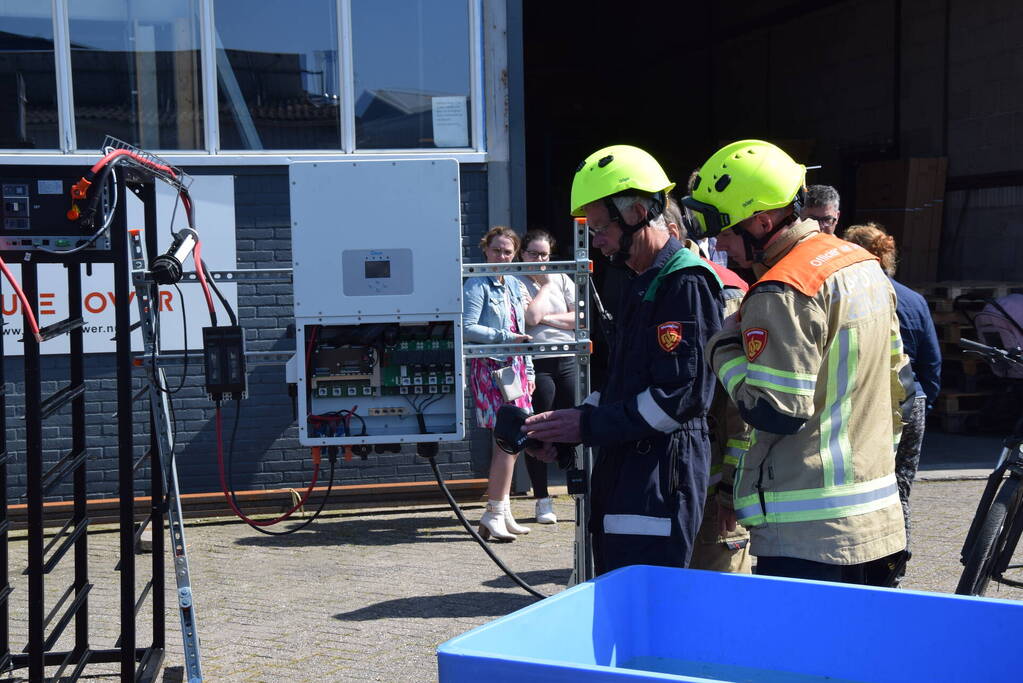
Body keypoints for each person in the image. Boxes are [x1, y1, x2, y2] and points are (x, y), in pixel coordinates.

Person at [681, 140, 909, 584]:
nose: (720, 244)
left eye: (726, 231)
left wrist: (721, 347)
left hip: (808, 534)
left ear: (762, 222)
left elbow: (774, 410)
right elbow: (901, 380)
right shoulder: (861, 265)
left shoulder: (781, 289)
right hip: (877, 517)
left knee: (803, 651)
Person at [523, 145, 723, 575]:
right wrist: (567, 427)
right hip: (634, 463)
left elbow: (679, 397)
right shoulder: (640, 282)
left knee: (649, 600)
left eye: (600, 227)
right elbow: (623, 385)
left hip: (662, 470)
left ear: (635, 212)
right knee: (619, 588)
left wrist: (589, 426)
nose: (596, 240)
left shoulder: (684, 283)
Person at [843, 221, 941, 584]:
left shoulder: (857, 297)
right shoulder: (914, 299)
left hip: (871, 406)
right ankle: (894, 565)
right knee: (900, 489)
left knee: (862, 489)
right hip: (910, 402)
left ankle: (858, 565)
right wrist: (921, 406)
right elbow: (931, 363)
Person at [662, 197, 752, 573]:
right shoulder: (654, 289)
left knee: (723, 603)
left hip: (715, 492)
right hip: (673, 482)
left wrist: (732, 489)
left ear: (669, 232)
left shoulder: (723, 291)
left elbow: (742, 406)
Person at [463, 226, 536, 542]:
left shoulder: (517, 286)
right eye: (496, 250)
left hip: (516, 367)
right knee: (507, 439)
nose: (502, 257)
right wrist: (505, 338)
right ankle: (493, 512)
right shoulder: (477, 283)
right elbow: (467, 327)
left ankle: (501, 510)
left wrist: (529, 371)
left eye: (507, 252)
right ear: (486, 250)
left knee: (512, 441)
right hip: (492, 368)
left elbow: (525, 332)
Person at [514, 229, 578, 525]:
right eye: (533, 254)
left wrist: (547, 318)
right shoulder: (517, 282)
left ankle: (578, 492)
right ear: (522, 253)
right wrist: (543, 286)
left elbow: (578, 319)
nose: (540, 260)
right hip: (536, 360)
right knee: (538, 428)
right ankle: (542, 499)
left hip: (566, 357)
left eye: (545, 255)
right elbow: (528, 319)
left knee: (575, 422)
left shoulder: (563, 278)